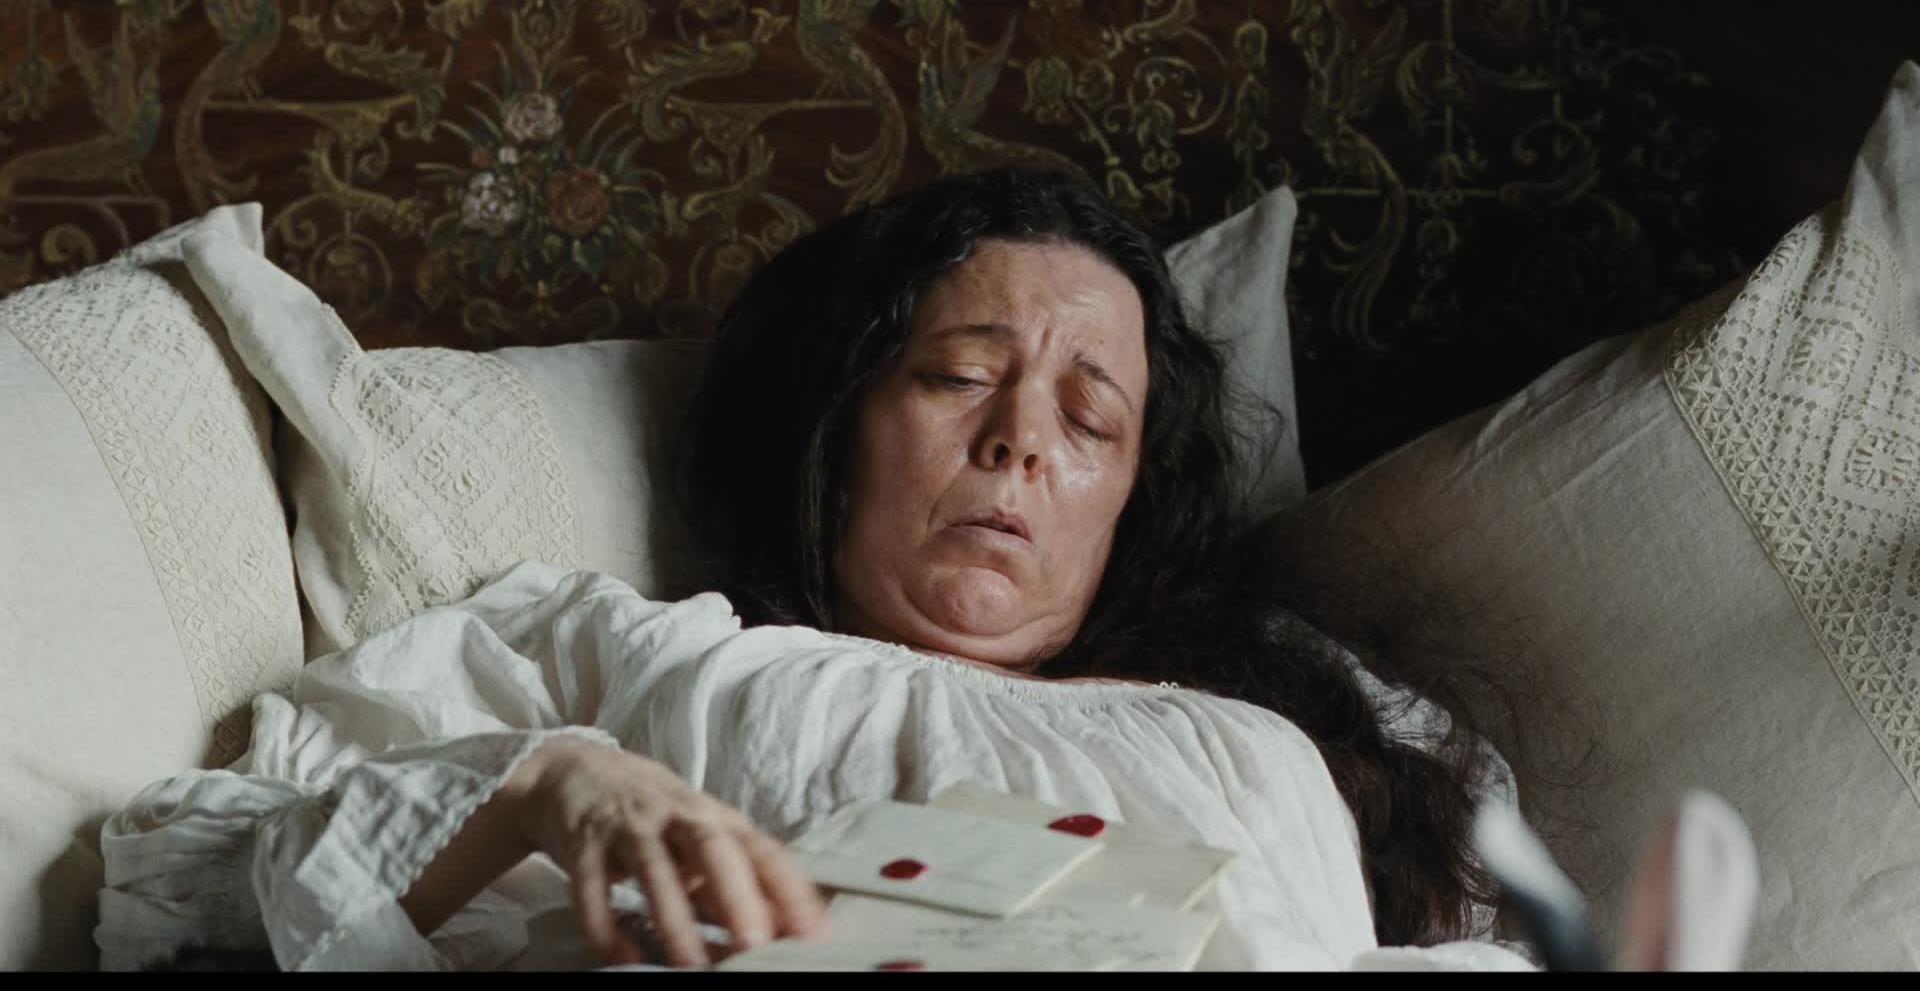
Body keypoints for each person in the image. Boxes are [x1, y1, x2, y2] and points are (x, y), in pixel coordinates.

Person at [94, 167, 1535, 972]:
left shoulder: (1294, 730)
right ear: (838, 423)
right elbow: (188, 887)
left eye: (1092, 421)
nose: (1023, 442)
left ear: (1130, 500)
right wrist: (541, 788)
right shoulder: (629, 655)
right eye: (960, 376)